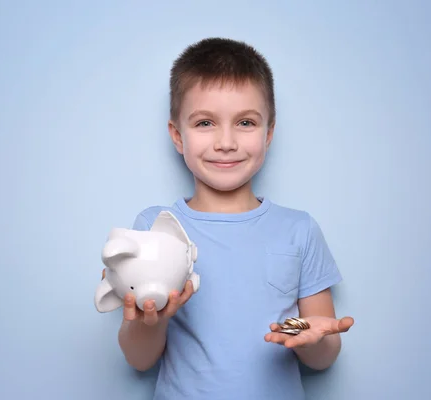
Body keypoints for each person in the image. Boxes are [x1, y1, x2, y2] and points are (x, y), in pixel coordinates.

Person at [114, 37, 354, 400]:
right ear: (177, 136)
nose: (226, 142)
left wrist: (306, 337)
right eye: (206, 123)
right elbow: (139, 359)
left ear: (269, 133)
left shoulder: (298, 230)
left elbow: (323, 356)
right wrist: (155, 319)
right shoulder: (155, 227)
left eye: (245, 122)